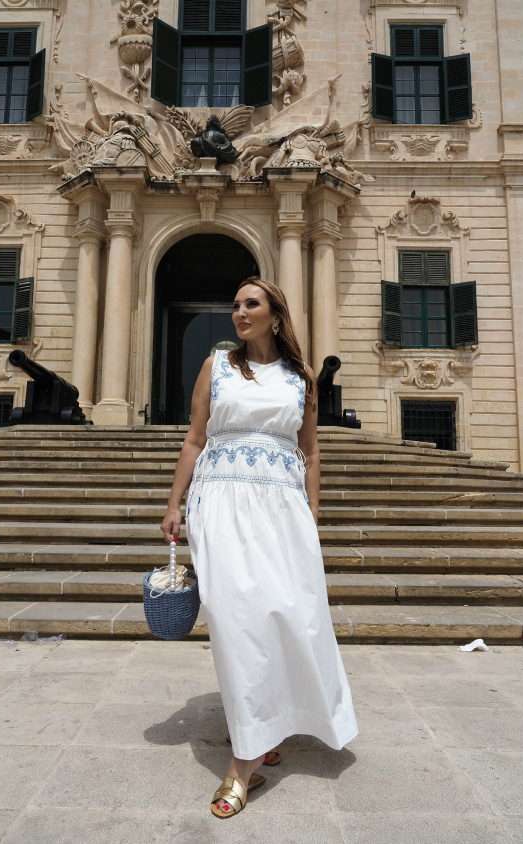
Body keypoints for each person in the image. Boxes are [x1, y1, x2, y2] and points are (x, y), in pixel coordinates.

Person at [160, 277, 358, 818]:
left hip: (282, 510)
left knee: (285, 615)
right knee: (235, 617)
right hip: (220, 501)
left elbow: (311, 453)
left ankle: (263, 726)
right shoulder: (216, 366)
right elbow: (195, 438)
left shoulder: (302, 377)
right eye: (235, 306)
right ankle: (244, 759)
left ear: (276, 315)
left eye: (251, 305)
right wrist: (174, 503)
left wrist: (311, 517)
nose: (239, 313)